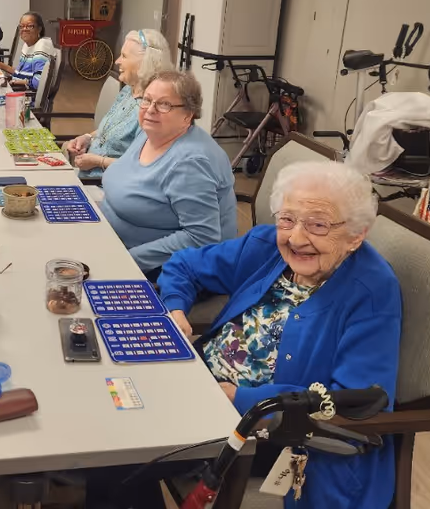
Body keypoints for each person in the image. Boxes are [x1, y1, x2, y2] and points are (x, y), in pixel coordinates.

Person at [159, 161, 401, 509]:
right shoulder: (266, 245)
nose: (297, 238)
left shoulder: (371, 292)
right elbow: (184, 265)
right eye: (287, 219)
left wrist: (237, 398)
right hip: (197, 386)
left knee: (113, 453)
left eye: (318, 225)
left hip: (268, 437)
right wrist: (176, 309)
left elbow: (357, 402)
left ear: (356, 235)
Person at [100, 70, 236, 276]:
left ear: (188, 115)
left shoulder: (190, 164)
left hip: (161, 270)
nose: (150, 110)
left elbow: (202, 237)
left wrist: (127, 260)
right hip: (110, 238)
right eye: (146, 100)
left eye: (164, 104)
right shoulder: (152, 133)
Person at [63, 29, 172, 181]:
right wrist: (87, 137)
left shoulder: (151, 110)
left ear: (145, 63)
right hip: (86, 173)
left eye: (124, 56)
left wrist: (98, 161)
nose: (117, 61)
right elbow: (111, 126)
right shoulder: (128, 90)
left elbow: (143, 166)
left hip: (104, 184)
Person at [0, 12, 55, 91]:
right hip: (19, 91)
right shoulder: (28, 45)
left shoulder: (42, 46)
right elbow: (20, 72)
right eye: (21, 26)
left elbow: (38, 82)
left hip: (27, 97)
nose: (24, 29)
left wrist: (15, 81)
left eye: (29, 26)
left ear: (39, 29)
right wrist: (1, 66)